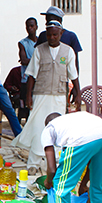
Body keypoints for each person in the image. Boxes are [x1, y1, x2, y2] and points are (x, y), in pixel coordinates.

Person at [12, 21, 81, 175]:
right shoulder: (39, 50)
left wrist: (78, 92)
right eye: (49, 34)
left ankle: (55, 162)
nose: (51, 37)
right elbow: (31, 76)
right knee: (38, 128)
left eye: (55, 34)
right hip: (40, 95)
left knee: (58, 129)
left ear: (61, 34)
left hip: (59, 96)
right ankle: (34, 163)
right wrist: (28, 96)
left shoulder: (68, 51)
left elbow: (73, 75)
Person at [36, 6, 82, 72]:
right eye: (47, 21)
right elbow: (37, 58)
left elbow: (75, 61)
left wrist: (74, 78)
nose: (47, 23)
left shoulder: (71, 36)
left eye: (50, 20)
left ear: (59, 21)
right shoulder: (43, 35)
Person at [19, 17, 38, 83]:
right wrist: (39, 61)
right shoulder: (23, 43)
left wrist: (30, 60)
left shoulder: (41, 41)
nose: (30, 28)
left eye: (32, 26)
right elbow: (24, 61)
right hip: (27, 77)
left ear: (36, 27)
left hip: (39, 77)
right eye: (28, 26)